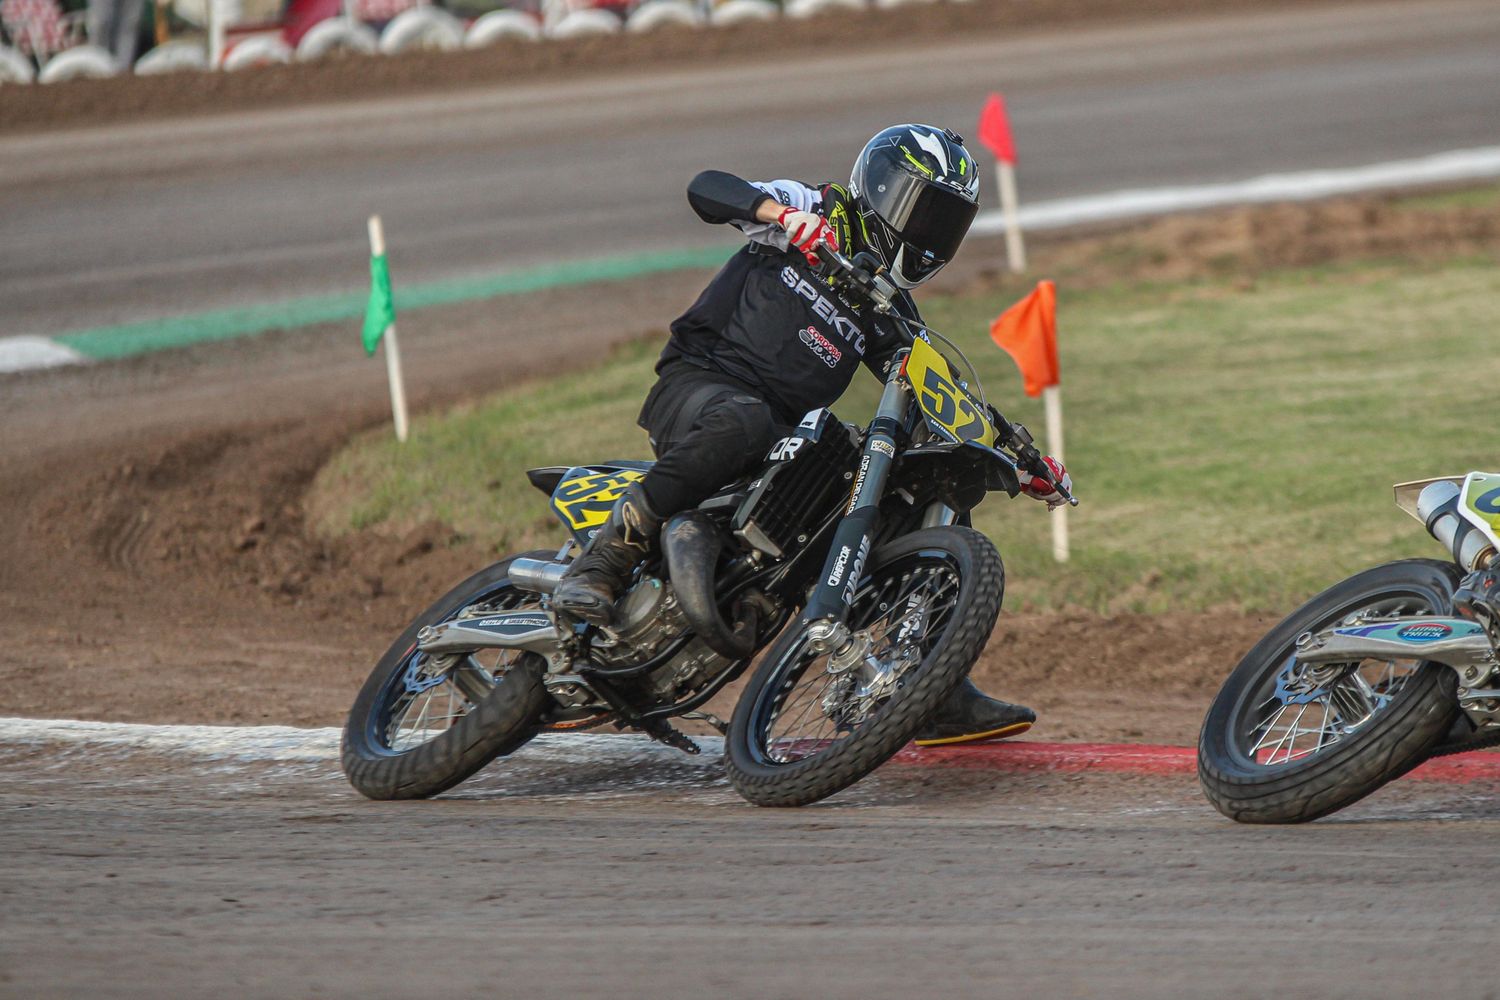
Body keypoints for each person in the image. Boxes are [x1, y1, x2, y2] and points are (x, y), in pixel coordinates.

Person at [554, 123, 1070, 745]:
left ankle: (933, 683)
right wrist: (779, 215)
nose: (929, 232)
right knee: (742, 420)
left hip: (777, 437)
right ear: (880, 187)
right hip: (701, 385)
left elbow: (944, 398)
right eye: (921, 209)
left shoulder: (891, 309)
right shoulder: (813, 207)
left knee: (908, 485)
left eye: (946, 222)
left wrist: (1019, 460)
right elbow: (707, 189)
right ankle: (608, 558)